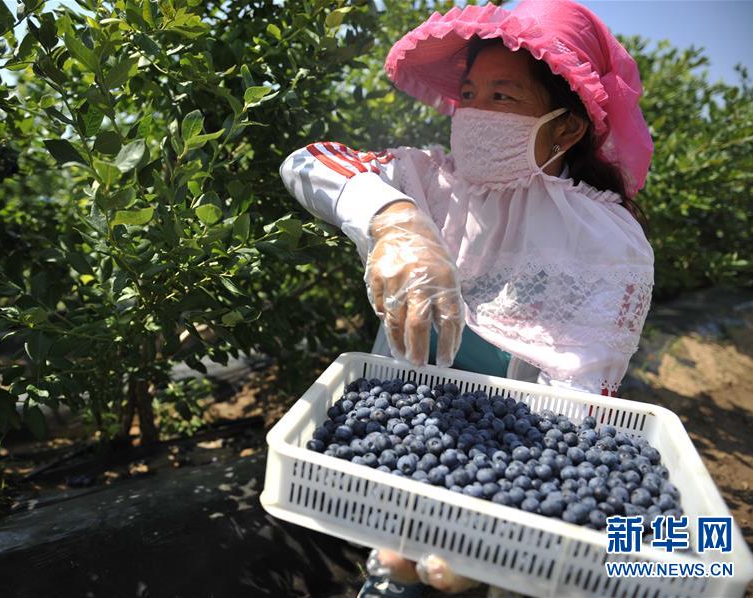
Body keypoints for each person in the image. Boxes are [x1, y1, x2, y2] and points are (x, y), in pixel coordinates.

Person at [278, 0, 655, 595]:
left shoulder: (604, 238)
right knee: (395, 576)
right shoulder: (429, 181)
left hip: (512, 464)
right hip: (404, 442)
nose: (475, 113)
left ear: (566, 127)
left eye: (502, 97)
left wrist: (523, 532)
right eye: (471, 94)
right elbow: (308, 162)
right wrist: (395, 219)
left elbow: (581, 402)